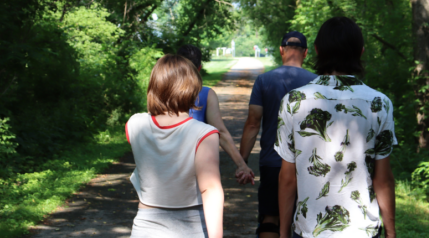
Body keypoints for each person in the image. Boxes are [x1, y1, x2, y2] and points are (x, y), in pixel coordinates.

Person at [275, 17, 397, 238]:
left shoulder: (293, 101)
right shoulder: (379, 103)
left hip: (310, 230)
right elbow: (383, 178)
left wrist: (283, 233)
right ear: (360, 52)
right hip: (362, 231)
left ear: (315, 50)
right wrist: (391, 231)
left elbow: (287, 177)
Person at [125, 54, 224, 238]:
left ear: (154, 87)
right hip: (190, 228)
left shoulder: (134, 124)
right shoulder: (204, 134)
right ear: (193, 89)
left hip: (144, 228)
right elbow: (210, 189)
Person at [240, 31, 318, 238]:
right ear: (306, 53)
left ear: (281, 50)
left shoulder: (264, 80)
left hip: (273, 162)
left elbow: (252, 124)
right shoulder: (318, 82)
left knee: (270, 218)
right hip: (310, 164)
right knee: (308, 219)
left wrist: (243, 161)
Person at [177, 44, 255, 184]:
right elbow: (220, 132)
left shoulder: (162, 94)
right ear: (199, 68)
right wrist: (241, 165)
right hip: (199, 172)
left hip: (167, 168)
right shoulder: (206, 95)